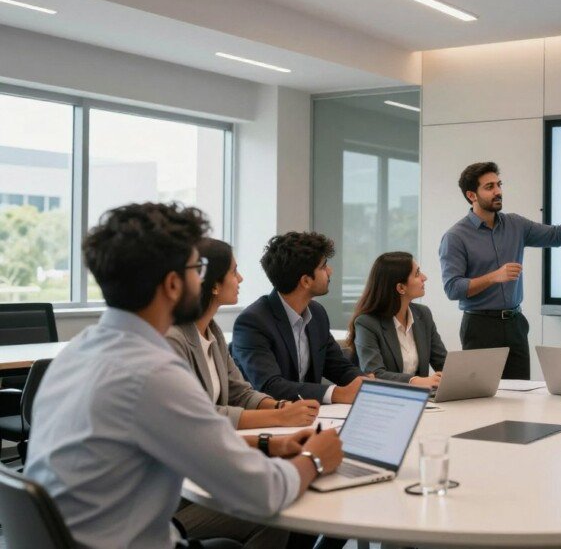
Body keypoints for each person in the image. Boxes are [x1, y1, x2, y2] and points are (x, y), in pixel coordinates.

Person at [24, 203, 343, 549]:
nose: (202, 278)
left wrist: (270, 442)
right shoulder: (151, 373)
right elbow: (262, 493)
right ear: (173, 284)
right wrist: (314, 458)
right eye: (198, 268)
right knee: (283, 509)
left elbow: (192, 435)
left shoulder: (79, 351)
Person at [439, 161, 561, 379]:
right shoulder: (456, 236)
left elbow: (558, 236)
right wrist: (494, 277)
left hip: (515, 324)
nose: (498, 192)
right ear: (471, 195)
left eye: (499, 184)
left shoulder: (515, 224)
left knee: (520, 395)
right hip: (480, 326)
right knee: (482, 397)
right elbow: (452, 289)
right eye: (489, 187)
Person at [166, 239, 319, 430]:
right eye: (234, 272)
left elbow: (240, 393)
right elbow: (199, 414)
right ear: (214, 285)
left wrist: (282, 406)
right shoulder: (173, 339)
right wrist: (279, 416)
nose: (240, 278)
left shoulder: (213, 332)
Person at [232, 231, 369, 403]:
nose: (330, 271)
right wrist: (337, 394)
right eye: (323, 266)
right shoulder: (253, 322)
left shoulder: (317, 313)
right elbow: (269, 386)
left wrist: (366, 384)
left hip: (310, 416)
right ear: (305, 281)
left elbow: (337, 366)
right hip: (269, 420)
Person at [349, 252, 447, 386]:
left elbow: (443, 363)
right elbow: (374, 374)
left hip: (423, 400)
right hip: (386, 400)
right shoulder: (367, 323)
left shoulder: (423, 314)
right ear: (401, 287)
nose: (425, 278)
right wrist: (415, 381)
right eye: (417, 274)